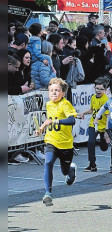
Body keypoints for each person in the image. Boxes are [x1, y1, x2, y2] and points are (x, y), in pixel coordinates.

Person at [35, 78, 78, 206]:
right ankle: (48, 193)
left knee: (65, 171)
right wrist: (42, 128)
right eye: (51, 90)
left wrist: (54, 122)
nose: (54, 93)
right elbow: (49, 119)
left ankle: (71, 170)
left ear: (63, 93)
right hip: (51, 140)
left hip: (65, 143)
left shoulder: (65, 104)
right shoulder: (48, 104)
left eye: (57, 90)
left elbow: (72, 120)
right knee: (48, 162)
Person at [77, 78, 110, 172]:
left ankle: (105, 142)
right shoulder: (93, 97)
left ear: (105, 90)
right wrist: (83, 112)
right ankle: (92, 164)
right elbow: (92, 109)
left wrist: (107, 131)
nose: (98, 91)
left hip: (102, 126)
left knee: (103, 148)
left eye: (101, 89)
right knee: (91, 142)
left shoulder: (106, 100)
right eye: (97, 88)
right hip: (93, 123)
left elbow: (108, 116)